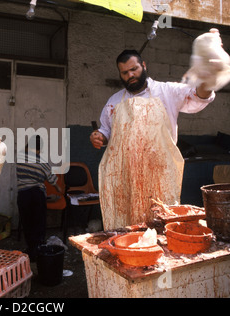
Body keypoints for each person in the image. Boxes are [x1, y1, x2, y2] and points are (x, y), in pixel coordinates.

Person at [90, 49, 215, 230]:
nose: (130, 75)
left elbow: (199, 95)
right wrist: (99, 136)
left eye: (134, 69)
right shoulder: (114, 101)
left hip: (160, 172)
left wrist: (208, 79)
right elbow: (106, 130)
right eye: (125, 72)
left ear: (144, 66)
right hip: (124, 175)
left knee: (160, 224)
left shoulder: (167, 91)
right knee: (126, 228)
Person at [16, 136, 62, 261]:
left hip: (23, 195)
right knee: (38, 223)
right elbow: (51, 178)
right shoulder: (41, 161)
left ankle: (31, 249)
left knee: (27, 223)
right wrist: (58, 188)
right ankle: (38, 250)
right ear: (38, 149)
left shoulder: (19, 158)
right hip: (37, 195)